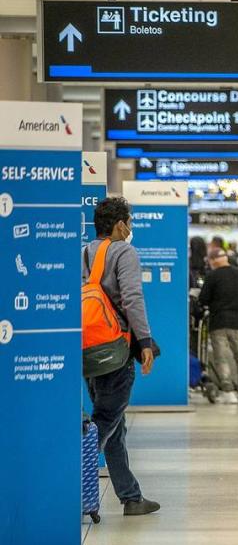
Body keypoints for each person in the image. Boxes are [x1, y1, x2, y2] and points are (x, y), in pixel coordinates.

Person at [82, 196, 160, 516]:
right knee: (106, 421)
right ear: (119, 224)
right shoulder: (124, 252)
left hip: (88, 348)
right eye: (129, 221)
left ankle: (130, 497)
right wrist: (145, 342)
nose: (130, 228)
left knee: (114, 422)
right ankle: (69, 478)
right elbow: (131, 298)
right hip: (115, 349)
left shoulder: (84, 252)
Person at [199, 249, 238, 404]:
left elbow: (203, 299)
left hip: (219, 322)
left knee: (221, 358)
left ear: (213, 260)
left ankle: (228, 392)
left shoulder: (212, 276)